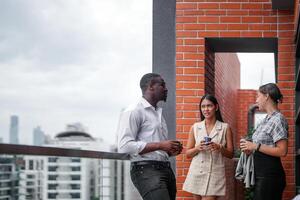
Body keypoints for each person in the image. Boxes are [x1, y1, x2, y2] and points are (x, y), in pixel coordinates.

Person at [117, 73, 183, 200]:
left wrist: (169, 151)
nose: (166, 88)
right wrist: (161, 145)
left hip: (165, 168)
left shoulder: (158, 113)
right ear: (151, 86)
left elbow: (156, 148)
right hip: (146, 170)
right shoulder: (133, 111)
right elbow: (124, 146)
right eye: (162, 84)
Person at [240, 83, 288, 200]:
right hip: (261, 175)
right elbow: (260, 147)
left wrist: (255, 146)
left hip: (270, 177)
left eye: (258, 96)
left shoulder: (278, 119)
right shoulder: (265, 120)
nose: (256, 100)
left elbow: (282, 151)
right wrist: (249, 149)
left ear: (266, 96)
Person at [183, 94, 234, 200]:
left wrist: (219, 147)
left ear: (216, 107)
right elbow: (188, 154)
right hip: (197, 172)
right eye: (203, 106)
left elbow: (230, 154)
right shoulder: (195, 127)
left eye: (209, 106)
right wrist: (198, 148)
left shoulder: (225, 128)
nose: (206, 109)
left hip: (215, 173)